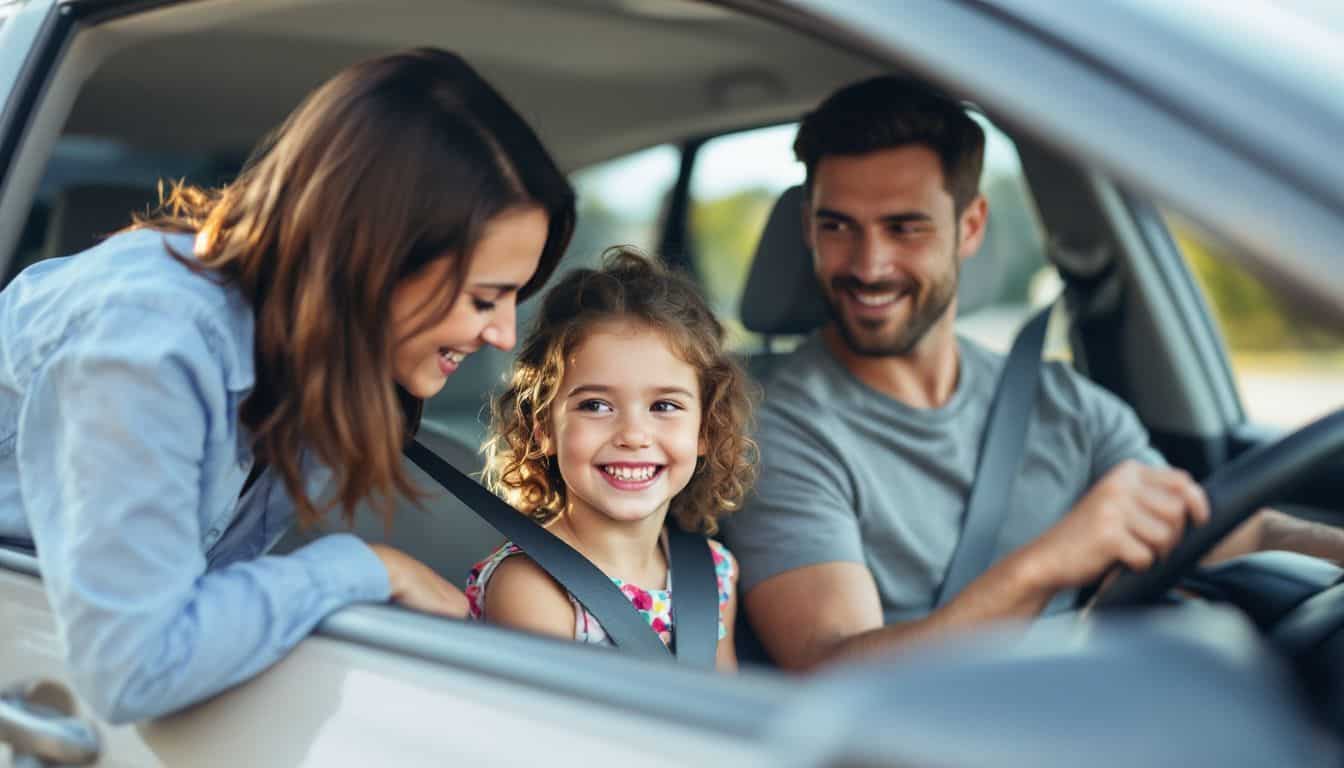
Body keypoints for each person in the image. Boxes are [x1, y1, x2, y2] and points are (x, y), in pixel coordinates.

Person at [0, 48, 576, 722]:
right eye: (483, 299)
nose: (505, 334)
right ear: (372, 255)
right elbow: (134, 669)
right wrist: (366, 566)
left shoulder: (317, 367)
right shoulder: (149, 339)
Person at [722, 76, 1344, 671]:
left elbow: (1222, 530)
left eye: (904, 227)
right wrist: (1048, 563)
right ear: (807, 228)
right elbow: (834, 668)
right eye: (838, 227)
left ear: (969, 228)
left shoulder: (1062, 402)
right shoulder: (776, 428)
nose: (869, 264)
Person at [468, 249, 755, 671]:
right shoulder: (532, 585)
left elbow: (726, 713)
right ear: (543, 428)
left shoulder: (713, 573)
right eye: (597, 406)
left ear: (706, 430)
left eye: (664, 406)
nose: (633, 436)